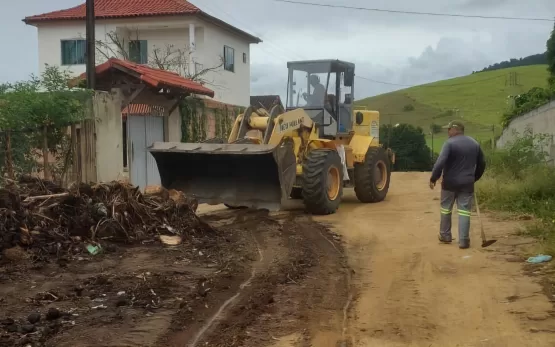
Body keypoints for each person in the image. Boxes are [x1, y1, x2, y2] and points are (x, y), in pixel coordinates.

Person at [429, 120, 486, 249]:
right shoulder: (474, 143)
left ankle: (445, 235)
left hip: (449, 183)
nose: (447, 132)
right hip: (467, 183)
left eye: (448, 130)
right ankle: (464, 241)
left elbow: (440, 162)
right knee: (464, 211)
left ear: (453, 130)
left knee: (446, 209)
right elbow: (482, 163)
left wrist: (434, 177)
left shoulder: (449, 143)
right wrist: (474, 177)